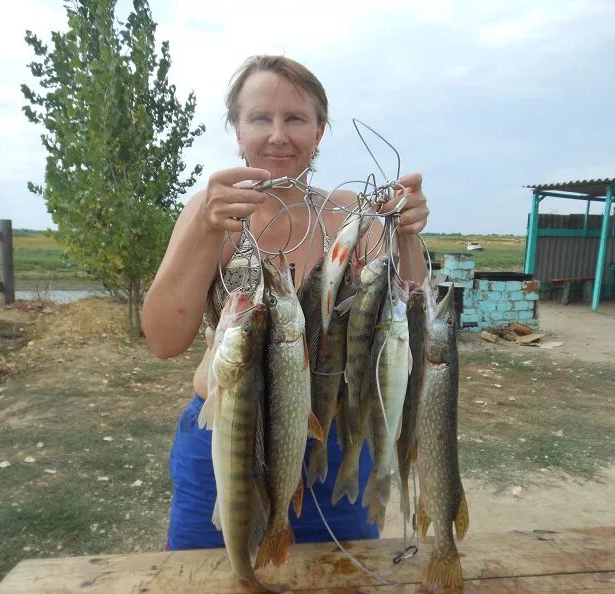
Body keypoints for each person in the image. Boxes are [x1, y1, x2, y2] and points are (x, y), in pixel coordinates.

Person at [142, 55, 429, 551]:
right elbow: (165, 340)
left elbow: (407, 321)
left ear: (319, 130)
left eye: (295, 118)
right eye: (260, 118)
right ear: (237, 130)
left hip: (330, 443)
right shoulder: (211, 211)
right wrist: (205, 229)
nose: (278, 135)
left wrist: (406, 234)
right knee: (213, 580)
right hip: (228, 437)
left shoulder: (352, 216)